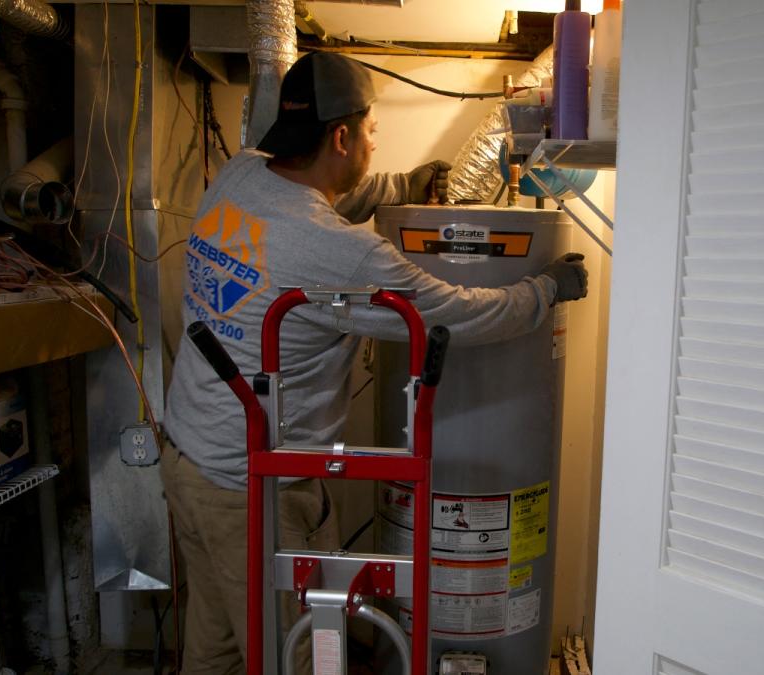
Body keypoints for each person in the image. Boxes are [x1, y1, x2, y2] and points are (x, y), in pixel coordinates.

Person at [161, 51, 588, 673]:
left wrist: (403, 187)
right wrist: (543, 290)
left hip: (189, 459)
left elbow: (329, 201)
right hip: (249, 492)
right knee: (295, 656)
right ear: (341, 136)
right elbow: (452, 316)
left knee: (219, 649)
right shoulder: (342, 254)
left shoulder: (242, 174)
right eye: (370, 131)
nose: (372, 142)